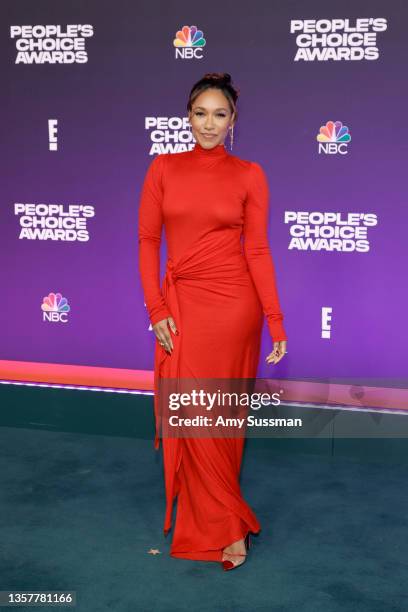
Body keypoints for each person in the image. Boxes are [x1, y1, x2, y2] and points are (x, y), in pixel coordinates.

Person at [138, 72, 287, 570]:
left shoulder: (250, 174)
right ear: (188, 117)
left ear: (233, 120)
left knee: (217, 419)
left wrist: (276, 319)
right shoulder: (163, 168)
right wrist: (156, 307)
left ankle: (225, 525)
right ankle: (219, 517)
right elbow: (148, 243)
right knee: (190, 413)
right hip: (182, 305)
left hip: (234, 307)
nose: (208, 123)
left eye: (218, 114)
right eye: (200, 113)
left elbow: (259, 250)